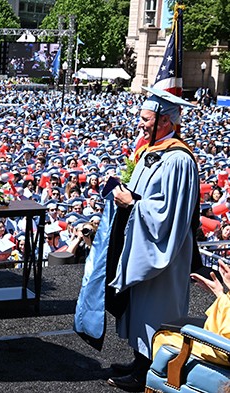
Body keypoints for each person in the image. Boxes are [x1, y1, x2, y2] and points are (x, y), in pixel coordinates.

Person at [73, 87, 200, 393]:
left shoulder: (178, 160)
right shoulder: (152, 152)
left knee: (156, 311)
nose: (141, 125)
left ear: (165, 122)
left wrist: (132, 204)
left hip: (161, 250)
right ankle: (139, 362)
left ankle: (150, 373)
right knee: (140, 308)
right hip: (141, 242)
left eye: (146, 119)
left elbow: (167, 214)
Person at [151, 261, 230, 367]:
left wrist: (223, 295)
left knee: (163, 337)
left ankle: (173, 380)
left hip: (223, 352)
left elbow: (224, 338)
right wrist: (220, 294)